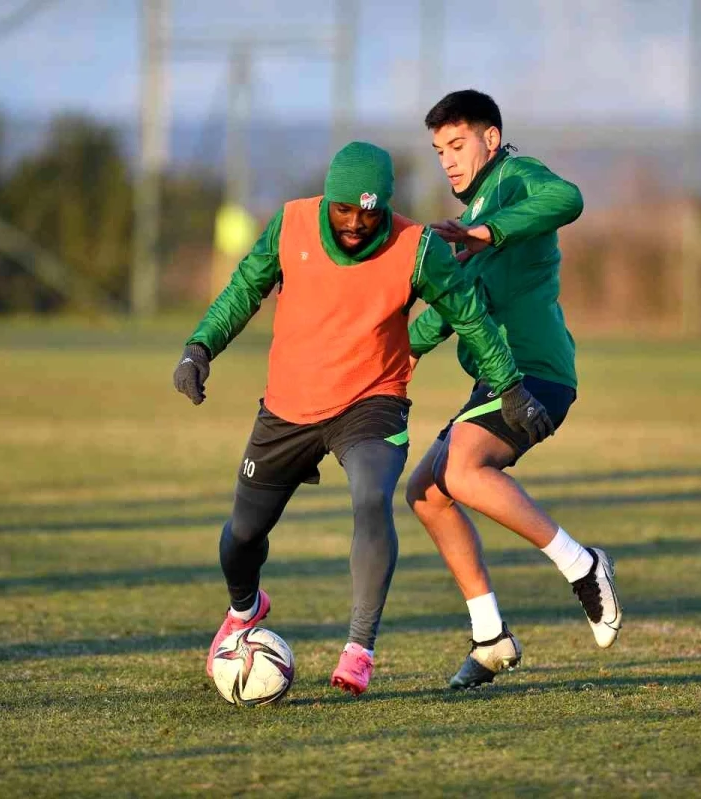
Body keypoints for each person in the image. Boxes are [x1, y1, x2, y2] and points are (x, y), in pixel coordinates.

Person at [173, 141, 554, 696]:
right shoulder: (291, 225)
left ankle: (360, 647)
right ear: (328, 200)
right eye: (344, 209)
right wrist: (199, 348)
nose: (355, 223)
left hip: (373, 400)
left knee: (372, 497)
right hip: (289, 407)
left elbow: (470, 318)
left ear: (387, 206)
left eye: (369, 212)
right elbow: (243, 290)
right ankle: (244, 609)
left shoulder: (418, 247)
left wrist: (511, 387)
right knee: (242, 536)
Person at [405, 90, 623, 690]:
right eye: (438, 150)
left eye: (458, 144)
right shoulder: (472, 214)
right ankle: (490, 637)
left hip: (535, 374)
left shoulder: (515, 180)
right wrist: (391, 352)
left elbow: (568, 198)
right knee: (424, 492)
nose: (447, 160)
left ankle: (584, 566)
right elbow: (451, 309)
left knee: (464, 471)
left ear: (491, 139)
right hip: (496, 379)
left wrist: (488, 231)